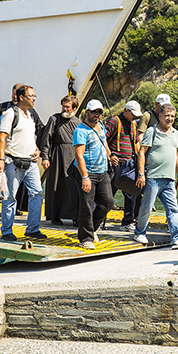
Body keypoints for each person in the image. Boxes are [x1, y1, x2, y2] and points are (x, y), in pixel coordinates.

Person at [133, 103, 178, 249]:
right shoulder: (151, 131)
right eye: (167, 115)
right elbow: (141, 152)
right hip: (153, 177)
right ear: (160, 116)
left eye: (172, 116)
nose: (170, 119)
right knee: (146, 207)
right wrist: (141, 174)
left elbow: (177, 155)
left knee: (173, 209)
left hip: (169, 179)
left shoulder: (176, 134)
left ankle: (177, 237)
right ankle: (139, 232)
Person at [0, 85, 45, 240]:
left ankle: (32, 229)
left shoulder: (30, 115)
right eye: (31, 96)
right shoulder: (11, 114)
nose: (34, 98)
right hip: (13, 162)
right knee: (10, 197)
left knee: (37, 194)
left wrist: (36, 149)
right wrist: (1, 160)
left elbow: (29, 137)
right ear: (21, 97)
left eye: (34, 95)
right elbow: (1, 137)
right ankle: (7, 231)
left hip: (30, 162)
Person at [73, 99, 115, 249]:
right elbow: (79, 155)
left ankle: (92, 228)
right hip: (88, 172)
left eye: (99, 112)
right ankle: (85, 238)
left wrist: (110, 156)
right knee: (86, 205)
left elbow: (104, 143)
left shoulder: (101, 126)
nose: (97, 115)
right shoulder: (81, 130)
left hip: (102, 171)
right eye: (94, 112)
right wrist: (85, 177)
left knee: (107, 202)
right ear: (87, 113)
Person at [40, 95, 81, 225]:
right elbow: (46, 139)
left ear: (74, 108)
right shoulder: (54, 119)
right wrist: (45, 157)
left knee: (74, 186)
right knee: (56, 185)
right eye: (63, 106)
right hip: (57, 156)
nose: (65, 109)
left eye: (68, 107)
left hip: (74, 157)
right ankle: (55, 215)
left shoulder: (78, 122)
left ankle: (75, 216)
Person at [106, 100, 141, 230]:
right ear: (126, 111)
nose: (136, 117)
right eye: (133, 114)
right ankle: (97, 220)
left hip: (130, 163)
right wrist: (110, 155)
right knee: (109, 194)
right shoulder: (115, 121)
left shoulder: (133, 124)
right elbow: (103, 138)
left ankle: (127, 222)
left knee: (130, 193)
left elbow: (136, 141)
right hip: (116, 164)